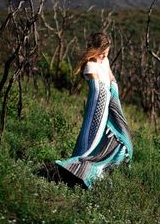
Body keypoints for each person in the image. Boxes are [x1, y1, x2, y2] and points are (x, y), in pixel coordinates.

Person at [55, 32, 133, 188]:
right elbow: (98, 90)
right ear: (94, 51)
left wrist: (114, 97)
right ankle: (78, 172)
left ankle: (103, 169)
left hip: (109, 107)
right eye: (102, 54)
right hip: (96, 110)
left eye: (106, 54)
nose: (104, 57)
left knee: (123, 140)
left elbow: (112, 80)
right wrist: (110, 92)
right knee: (90, 143)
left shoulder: (105, 62)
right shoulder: (90, 66)